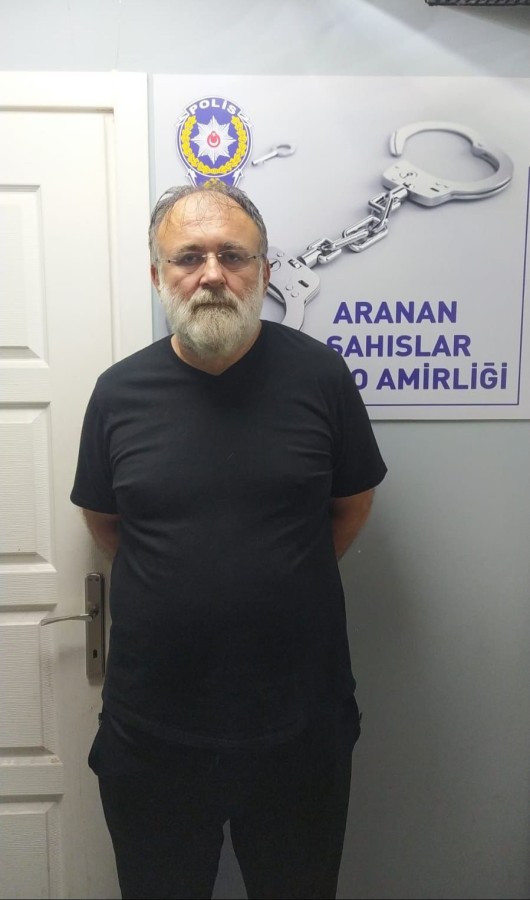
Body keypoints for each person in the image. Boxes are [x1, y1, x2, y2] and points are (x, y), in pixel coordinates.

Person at [70, 181, 387, 900]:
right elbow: (106, 523)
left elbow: (350, 506)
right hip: (153, 732)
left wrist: (270, 576)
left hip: (300, 727)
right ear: (158, 275)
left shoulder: (321, 377)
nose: (211, 273)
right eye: (188, 257)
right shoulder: (118, 394)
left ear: (264, 271)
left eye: (232, 255)